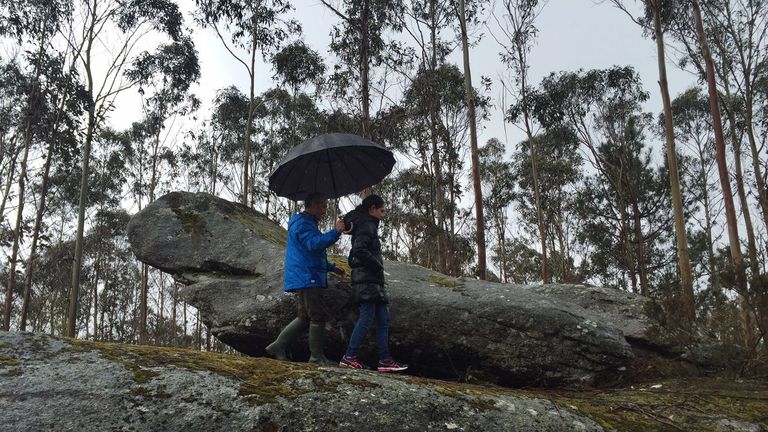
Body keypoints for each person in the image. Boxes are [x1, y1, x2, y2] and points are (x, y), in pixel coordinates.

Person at [266, 192, 346, 366]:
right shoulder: (302, 223)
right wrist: (336, 231)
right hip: (307, 276)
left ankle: (278, 346)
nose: (325, 210)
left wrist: (332, 267)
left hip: (306, 274)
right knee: (317, 315)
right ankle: (316, 357)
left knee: (304, 317)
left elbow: (311, 254)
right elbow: (314, 244)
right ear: (313, 205)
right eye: (323, 206)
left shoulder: (307, 223)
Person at [339, 194, 408, 372]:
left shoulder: (367, 224)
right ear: (372, 209)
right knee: (367, 317)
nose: (384, 215)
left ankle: (385, 360)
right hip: (366, 280)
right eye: (382, 210)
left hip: (372, 280)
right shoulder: (367, 224)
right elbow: (359, 250)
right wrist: (376, 265)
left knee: (383, 319)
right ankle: (349, 357)